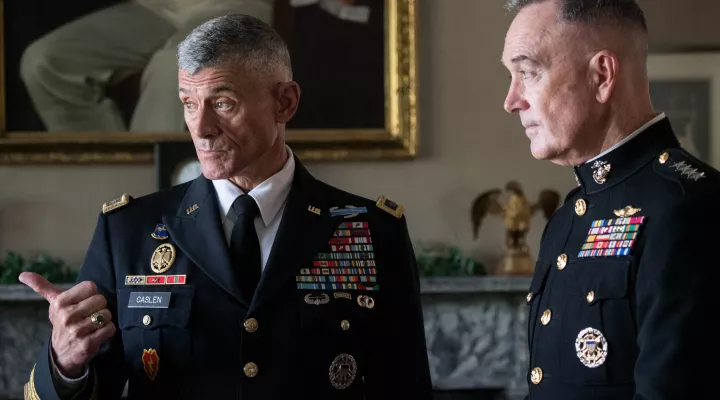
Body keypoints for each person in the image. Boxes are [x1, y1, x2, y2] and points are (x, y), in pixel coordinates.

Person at [20, 14, 432, 399]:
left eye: (222, 103)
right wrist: (65, 363)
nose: (199, 128)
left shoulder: (371, 230)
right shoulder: (128, 231)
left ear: (285, 103)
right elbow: (95, 385)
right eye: (188, 103)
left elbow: (406, 385)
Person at [501, 1, 720, 399]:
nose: (512, 100)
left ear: (601, 75)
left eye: (528, 73)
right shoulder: (569, 216)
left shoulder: (692, 206)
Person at [20, 0, 274, 132]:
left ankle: (147, 204)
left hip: (235, 5)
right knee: (46, 61)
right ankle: (109, 181)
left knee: (172, 67)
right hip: (156, 8)